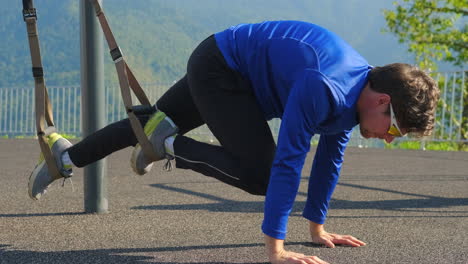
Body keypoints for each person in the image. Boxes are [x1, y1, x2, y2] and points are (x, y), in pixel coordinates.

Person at [28, 21, 440, 264]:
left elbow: (331, 157)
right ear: (382, 102)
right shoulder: (326, 88)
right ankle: (169, 146)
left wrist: (317, 229)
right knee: (261, 173)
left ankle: (67, 154)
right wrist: (276, 249)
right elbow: (287, 163)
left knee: (150, 123)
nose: (389, 139)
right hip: (221, 68)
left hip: (239, 75)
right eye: (394, 130)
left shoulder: (356, 96)